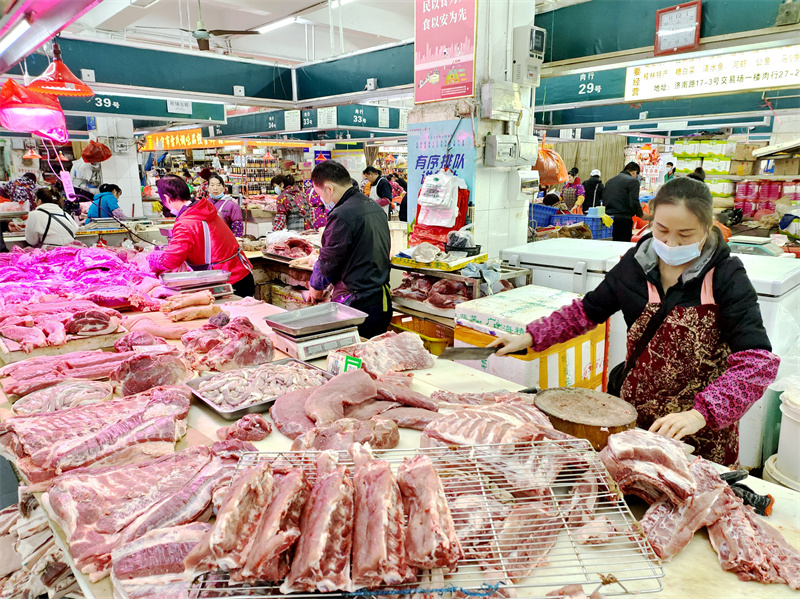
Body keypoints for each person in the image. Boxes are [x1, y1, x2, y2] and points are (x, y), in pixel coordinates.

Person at [489, 177, 779, 466]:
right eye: (662, 230)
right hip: (635, 419)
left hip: (701, 432)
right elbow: (588, 311)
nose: (670, 242)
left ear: (707, 228)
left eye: (685, 234)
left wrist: (701, 413)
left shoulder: (726, 276)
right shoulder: (635, 264)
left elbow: (757, 361)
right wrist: (530, 336)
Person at [308, 160, 391, 339]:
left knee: (354, 360)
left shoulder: (342, 215)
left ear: (329, 189)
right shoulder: (373, 206)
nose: (321, 199)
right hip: (380, 301)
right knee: (374, 358)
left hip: (357, 305)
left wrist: (315, 285)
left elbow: (329, 259)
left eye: (319, 193)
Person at [148, 176, 254, 297]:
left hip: (229, 281)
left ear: (167, 198)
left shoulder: (186, 221)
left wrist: (152, 257)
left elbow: (170, 260)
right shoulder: (201, 208)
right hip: (240, 274)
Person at [604, 161, 643, 242]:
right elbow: (634, 202)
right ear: (634, 172)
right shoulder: (633, 181)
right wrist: (641, 214)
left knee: (610, 246)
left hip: (608, 220)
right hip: (623, 220)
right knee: (622, 247)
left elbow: (604, 199)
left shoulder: (609, 181)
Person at [207, 173, 243, 237]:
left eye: (218, 185)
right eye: (212, 185)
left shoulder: (232, 205)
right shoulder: (204, 204)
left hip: (226, 241)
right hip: (208, 241)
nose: (215, 188)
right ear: (208, 188)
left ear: (224, 188)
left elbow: (237, 228)